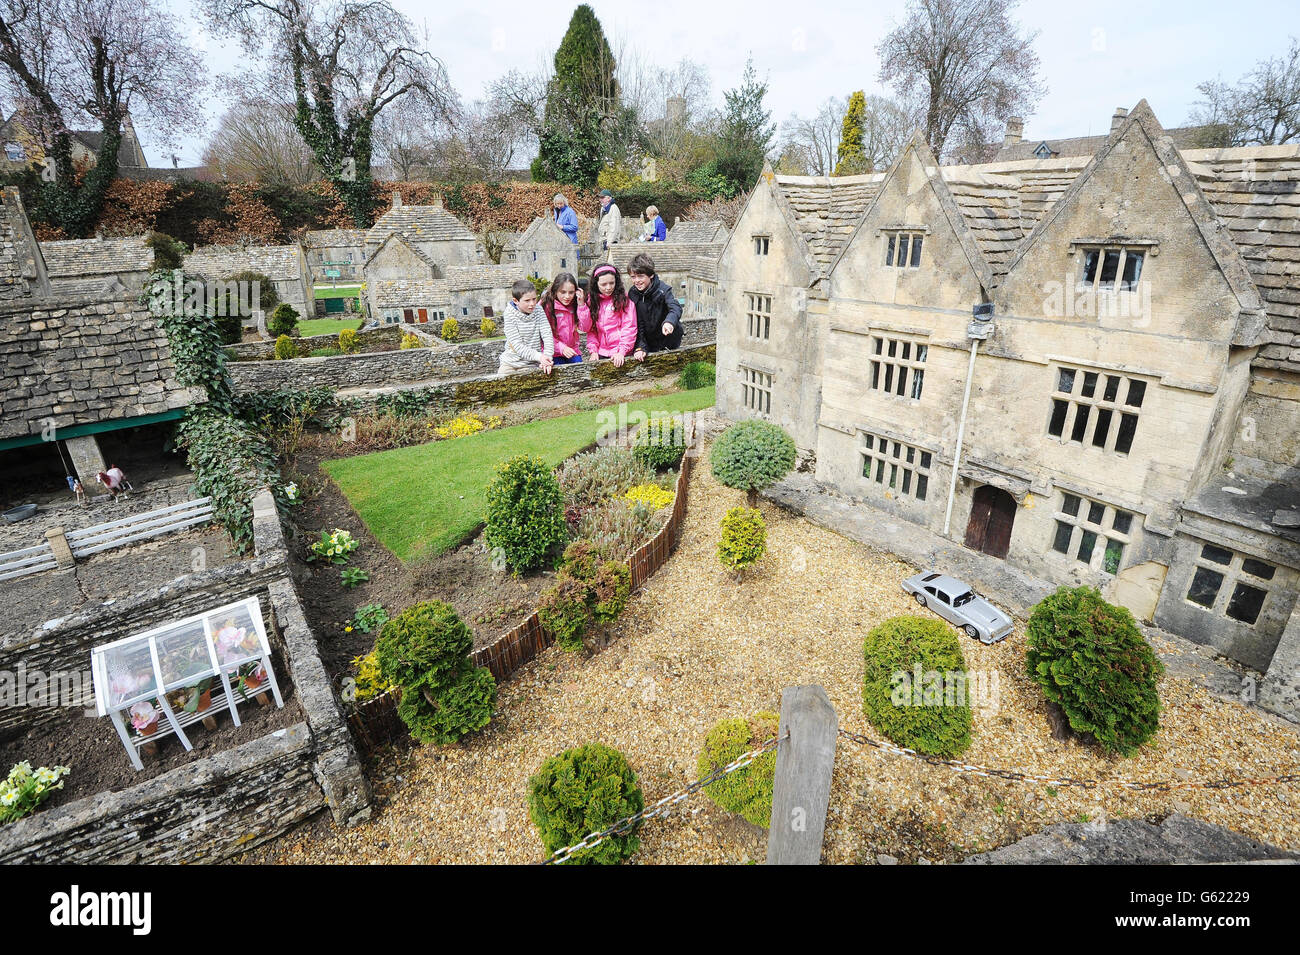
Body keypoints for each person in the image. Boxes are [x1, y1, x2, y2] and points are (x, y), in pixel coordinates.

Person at [627, 253, 683, 358]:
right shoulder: (632, 294)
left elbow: (675, 307)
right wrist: (640, 347)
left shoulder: (663, 290)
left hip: (668, 339)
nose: (637, 281)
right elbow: (637, 324)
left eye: (640, 276)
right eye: (633, 277)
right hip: (649, 342)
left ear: (651, 275)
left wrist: (669, 322)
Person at [583, 263, 638, 367]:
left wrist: (622, 351)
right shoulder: (592, 301)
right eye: (603, 284)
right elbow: (591, 329)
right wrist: (593, 350)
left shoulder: (624, 300)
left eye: (612, 283)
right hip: (601, 352)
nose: (608, 288)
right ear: (596, 284)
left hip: (621, 353)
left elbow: (629, 327)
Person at [498, 278, 555, 376]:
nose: (532, 304)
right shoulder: (509, 314)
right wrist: (540, 357)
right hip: (511, 363)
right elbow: (517, 345)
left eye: (534, 299)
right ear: (516, 301)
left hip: (533, 363)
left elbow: (547, 335)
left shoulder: (539, 310)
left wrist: (547, 358)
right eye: (527, 300)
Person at [539, 271, 587, 364]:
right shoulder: (546, 305)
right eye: (563, 292)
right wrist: (561, 347)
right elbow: (542, 333)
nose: (567, 296)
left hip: (572, 350)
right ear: (556, 290)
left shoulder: (576, 304)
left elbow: (585, 327)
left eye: (571, 292)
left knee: (580, 371)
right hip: (552, 352)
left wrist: (581, 305)